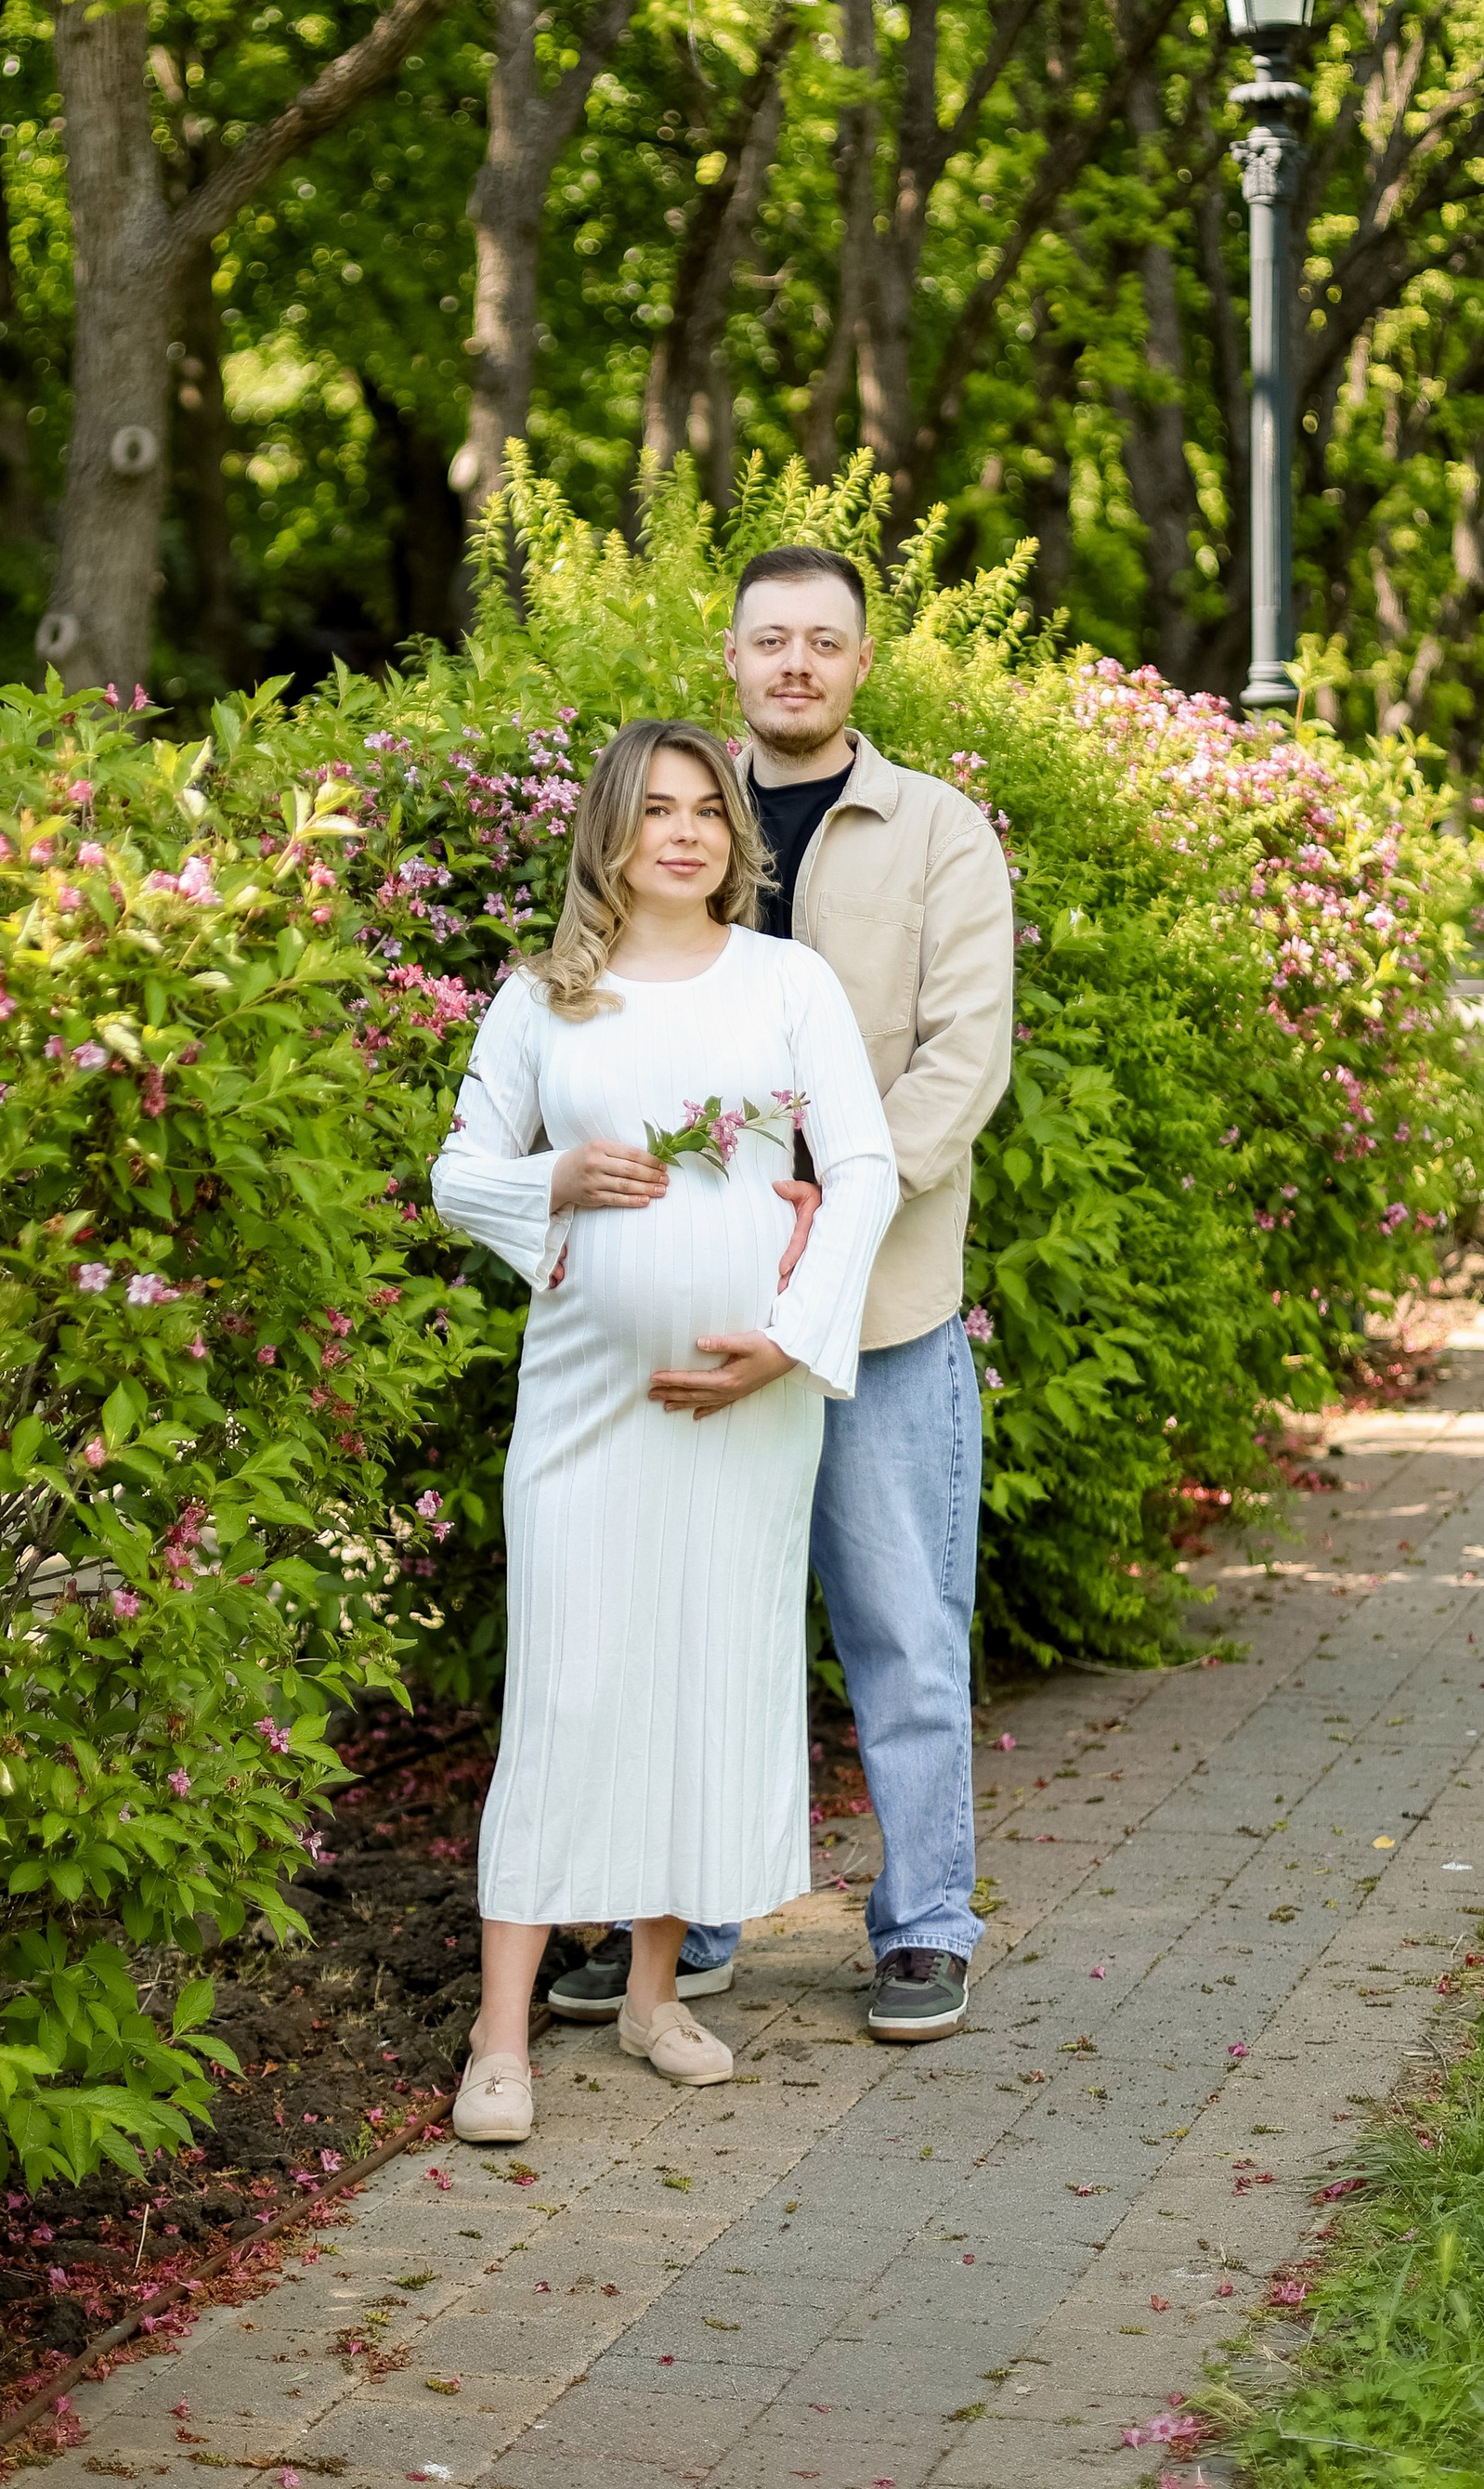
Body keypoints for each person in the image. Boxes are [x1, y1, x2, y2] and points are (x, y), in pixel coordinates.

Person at [546, 545, 1016, 2044]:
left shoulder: (937, 830)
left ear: (862, 661)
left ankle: (925, 1925)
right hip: (696, 1301)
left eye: (824, 639)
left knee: (902, 1627)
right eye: (770, 640)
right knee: (696, 1617)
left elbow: (964, 1059)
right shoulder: (683, 821)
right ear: (734, 658)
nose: (795, 663)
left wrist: (838, 1201)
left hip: (878, 1310)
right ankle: (684, 1925)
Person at [429, 716, 897, 2144]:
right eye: (655, 809)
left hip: (750, 1413)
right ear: (611, 834)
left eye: (705, 808)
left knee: (708, 1673)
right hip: (586, 1403)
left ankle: (653, 1993)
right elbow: (458, 1173)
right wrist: (556, 1180)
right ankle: (499, 2034)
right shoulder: (541, 1000)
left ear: (731, 835)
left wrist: (790, 1340)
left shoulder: (786, 981)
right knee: (567, 1690)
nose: (683, 831)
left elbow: (863, 1168)